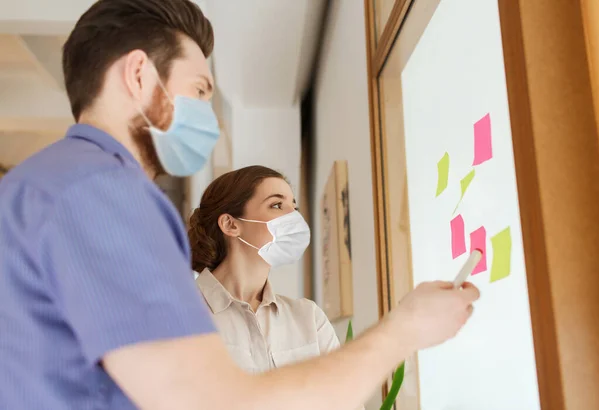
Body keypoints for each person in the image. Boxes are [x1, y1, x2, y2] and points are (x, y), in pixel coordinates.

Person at [0, 1, 480, 409]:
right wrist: (405, 331)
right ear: (140, 73)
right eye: (200, 91)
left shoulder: (43, 186)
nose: (206, 115)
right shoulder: (103, 192)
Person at [189, 166, 343, 373]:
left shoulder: (309, 318)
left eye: (294, 208)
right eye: (277, 205)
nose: (294, 218)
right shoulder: (178, 313)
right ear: (231, 224)